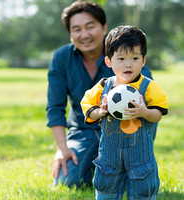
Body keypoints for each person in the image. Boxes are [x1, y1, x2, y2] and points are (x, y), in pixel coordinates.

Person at [46, 1, 154, 188]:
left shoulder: (124, 53)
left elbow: (149, 95)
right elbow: (55, 108)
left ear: (104, 27)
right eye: (76, 29)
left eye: (90, 26)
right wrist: (62, 149)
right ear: (70, 34)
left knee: (132, 182)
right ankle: (99, 166)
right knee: (67, 181)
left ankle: (129, 162)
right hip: (83, 131)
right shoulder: (62, 57)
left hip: (125, 129)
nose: (84, 34)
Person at [81, 25, 168, 199]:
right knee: (106, 190)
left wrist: (144, 112)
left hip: (140, 158)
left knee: (142, 191)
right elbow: (87, 109)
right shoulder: (103, 86)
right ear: (108, 61)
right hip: (109, 157)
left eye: (134, 58)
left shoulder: (149, 87)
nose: (128, 64)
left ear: (143, 61)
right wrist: (100, 112)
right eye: (120, 58)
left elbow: (158, 114)